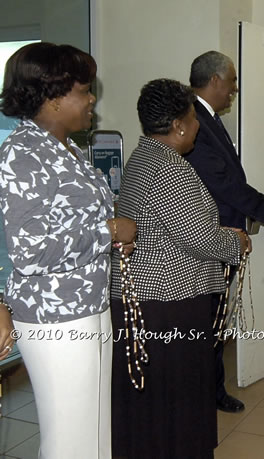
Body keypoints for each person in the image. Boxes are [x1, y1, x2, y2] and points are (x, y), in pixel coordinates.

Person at [0, 42, 136, 459]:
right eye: (84, 89)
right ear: (54, 98)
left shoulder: (69, 149)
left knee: (95, 431)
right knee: (69, 441)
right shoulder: (22, 155)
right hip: (54, 316)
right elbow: (28, 249)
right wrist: (107, 230)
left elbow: (69, 224)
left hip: (89, 304)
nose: (92, 98)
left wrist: (110, 240)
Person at [110, 78, 250, 459]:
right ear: (179, 126)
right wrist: (235, 242)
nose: (199, 125)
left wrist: (216, 233)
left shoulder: (142, 157)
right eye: (194, 117)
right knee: (178, 399)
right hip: (168, 304)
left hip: (145, 299)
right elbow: (198, 238)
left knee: (150, 400)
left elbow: (173, 228)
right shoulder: (171, 168)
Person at [186, 50, 264, 413]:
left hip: (223, 235)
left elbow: (228, 179)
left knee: (216, 319)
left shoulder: (207, 117)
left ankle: (210, 388)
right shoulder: (192, 120)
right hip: (210, 240)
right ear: (215, 80)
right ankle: (209, 393)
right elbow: (222, 182)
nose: (234, 88)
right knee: (211, 319)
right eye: (231, 81)